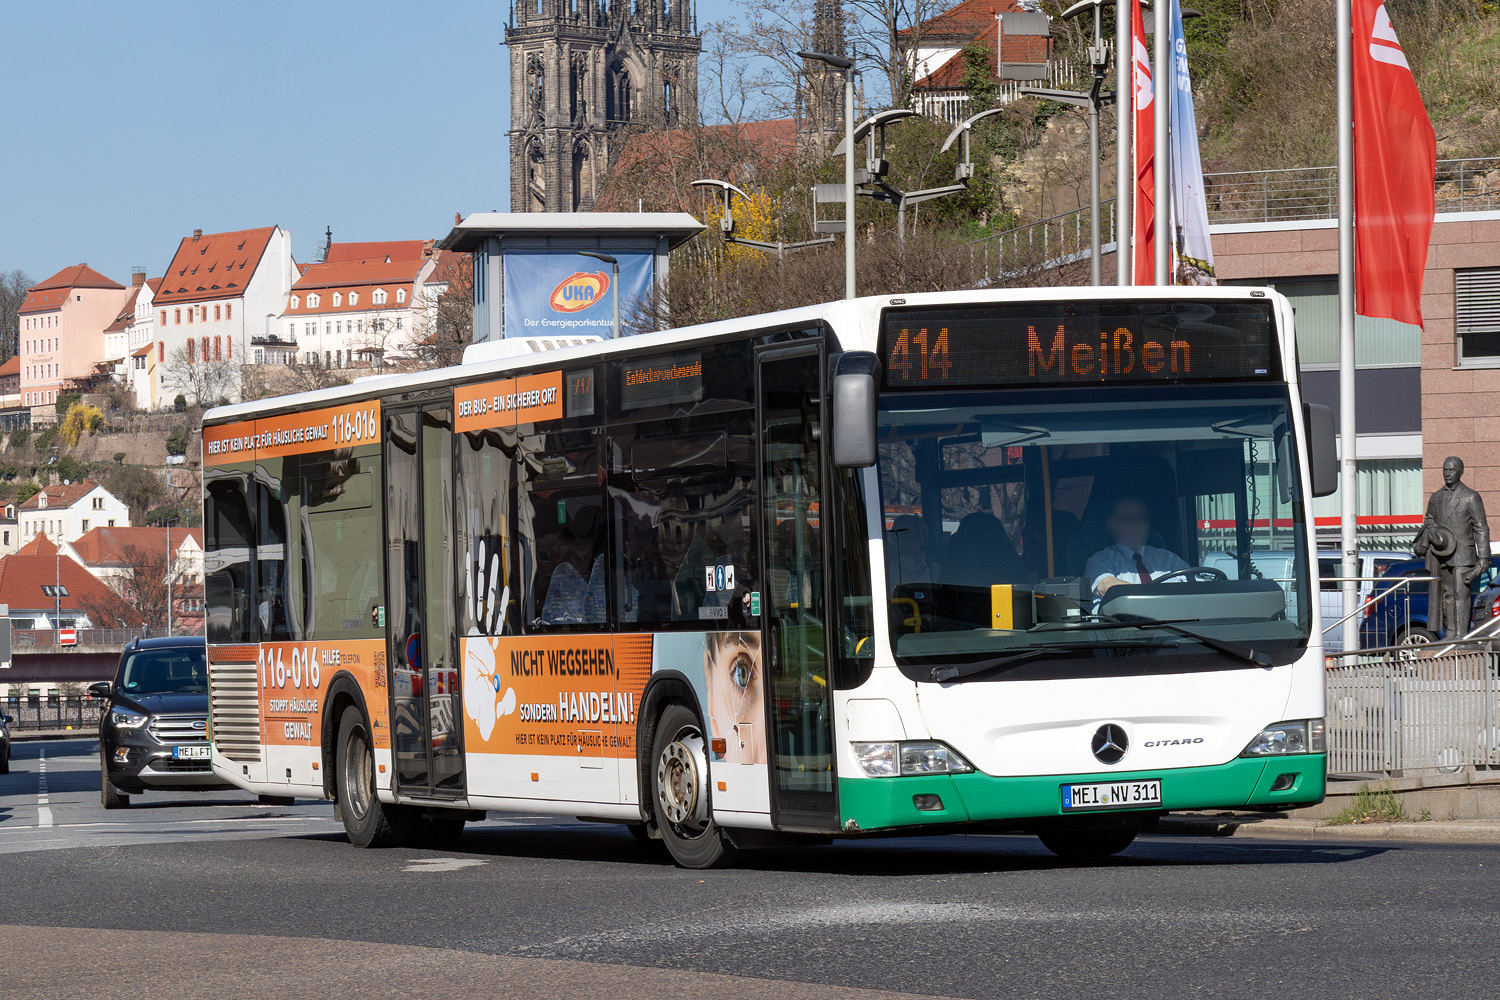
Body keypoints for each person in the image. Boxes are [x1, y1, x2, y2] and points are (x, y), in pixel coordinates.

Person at [1085, 495, 1188, 598]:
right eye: (1128, 518)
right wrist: (1153, 599)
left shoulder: (1169, 559)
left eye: (1142, 518)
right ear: (1112, 523)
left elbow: (1196, 583)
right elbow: (1106, 586)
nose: (1138, 524)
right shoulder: (1100, 560)